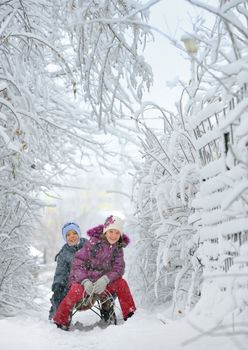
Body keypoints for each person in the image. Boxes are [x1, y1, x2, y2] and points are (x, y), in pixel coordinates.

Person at [53, 215, 136, 330]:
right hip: (84, 283)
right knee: (75, 290)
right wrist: (85, 281)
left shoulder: (118, 248)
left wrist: (105, 279)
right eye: (111, 231)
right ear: (105, 231)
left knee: (121, 283)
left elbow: (118, 268)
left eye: (117, 233)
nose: (113, 235)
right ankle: (61, 321)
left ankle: (130, 316)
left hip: (102, 285)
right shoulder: (93, 243)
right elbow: (77, 264)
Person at [48, 222, 87, 320]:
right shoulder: (64, 254)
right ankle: (60, 317)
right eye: (68, 235)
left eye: (74, 233)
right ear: (65, 238)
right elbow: (60, 272)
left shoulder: (89, 246)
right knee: (59, 292)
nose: (72, 236)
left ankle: (107, 310)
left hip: (91, 281)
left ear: (79, 234)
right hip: (73, 284)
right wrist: (57, 285)